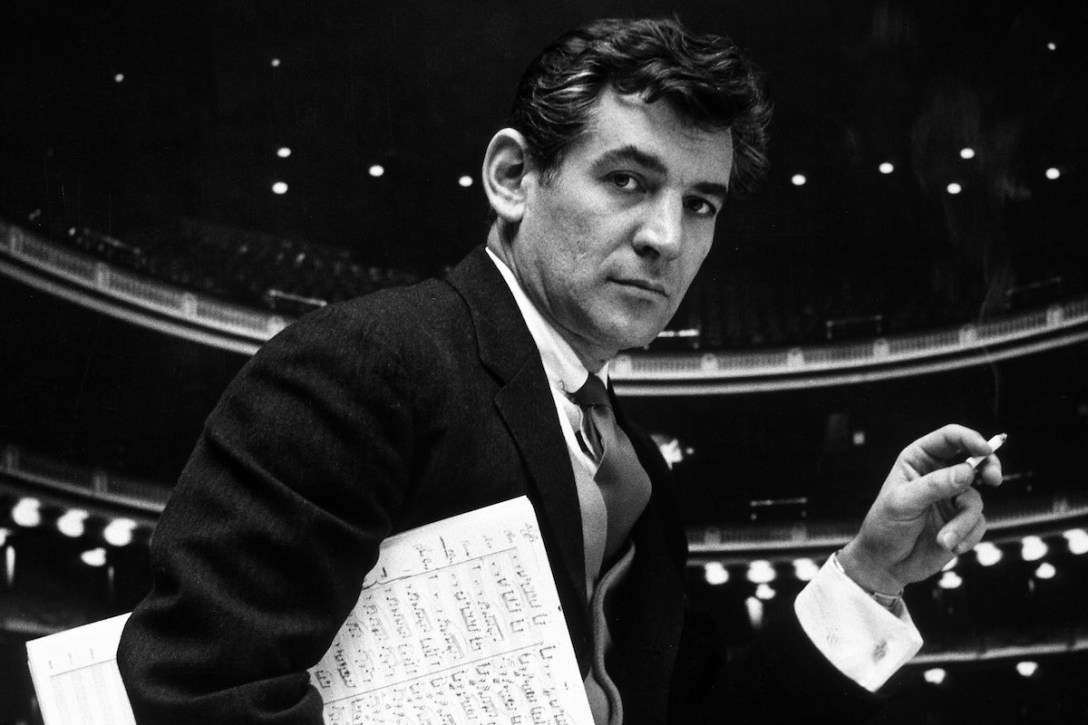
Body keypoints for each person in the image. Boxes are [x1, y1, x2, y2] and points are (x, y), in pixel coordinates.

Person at [117, 16, 1002, 724]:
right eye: (628, 180)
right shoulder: (365, 363)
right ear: (513, 176)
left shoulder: (639, 466)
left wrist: (870, 574)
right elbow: (203, 689)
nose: (667, 237)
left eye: (701, 203)